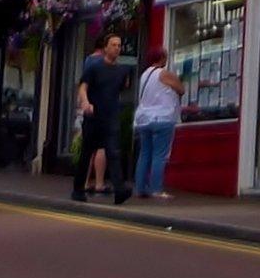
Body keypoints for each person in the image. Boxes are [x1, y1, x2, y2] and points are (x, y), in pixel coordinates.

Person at [70, 33, 132, 206]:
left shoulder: (122, 71)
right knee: (86, 153)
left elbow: (120, 89)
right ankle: (78, 189)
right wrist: (86, 102)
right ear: (105, 48)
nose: (117, 48)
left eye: (119, 45)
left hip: (110, 117)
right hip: (93, 116)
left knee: (113, 152)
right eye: (113, 45)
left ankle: (119, 190)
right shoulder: (94, 68)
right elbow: (83, 88)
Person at [131, 46, 183, 200]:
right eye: (165, 57)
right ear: (161, 58)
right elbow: (181, 89)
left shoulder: (144, 75)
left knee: (144, 154)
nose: (166, 59)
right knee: (159, 155)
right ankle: (156, 189)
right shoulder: (164, 73)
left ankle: (140, 188)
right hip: (162, 117)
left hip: (143, 119)